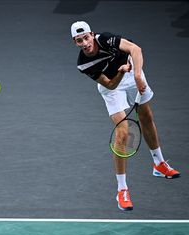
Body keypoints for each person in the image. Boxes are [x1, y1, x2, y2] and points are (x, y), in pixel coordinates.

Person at [71, 21, 180, 211]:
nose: (85, 43)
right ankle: (122, 190)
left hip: (133, 75)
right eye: (80, 40)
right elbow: (110, 85)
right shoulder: (84, 64)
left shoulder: (106, 39)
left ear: (92, 34)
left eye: (87, 37)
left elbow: (135, 49)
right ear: (75, 42)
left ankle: (159, 164)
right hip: (113, 86)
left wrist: (137, 76)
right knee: (123, 132)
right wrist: (121, 72)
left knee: (146, 117)